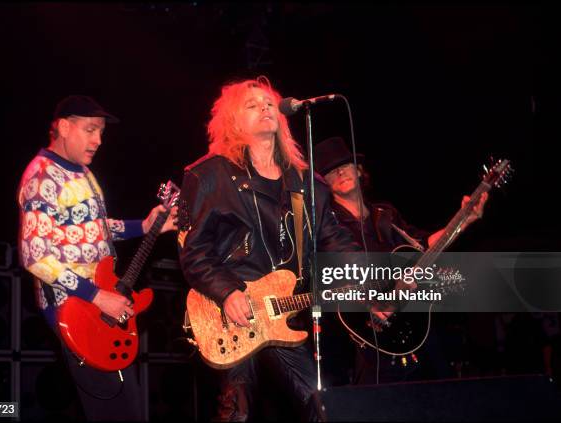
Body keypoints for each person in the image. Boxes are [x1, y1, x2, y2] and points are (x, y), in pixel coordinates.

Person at [177, 77, 359, 421]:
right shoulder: (210, 175)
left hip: (281, 312)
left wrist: (370, 277)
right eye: (252, 104)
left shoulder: (307, 183)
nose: (264, 107)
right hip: (228, 310)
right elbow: (195, 251)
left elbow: (335, 241)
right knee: (237, 410)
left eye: (269, 103)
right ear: (232, 122)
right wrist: (227, 291)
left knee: (319, 404)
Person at [17, 95, 176, 421]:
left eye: (101, 132)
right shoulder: (42, 175)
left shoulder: (83, 173)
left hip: (99, 306)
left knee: (124, 408)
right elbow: (34, 255)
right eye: (90, 129)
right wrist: (98, 297)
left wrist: (144, 226)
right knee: (118, 411)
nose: (98, 140)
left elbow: (95, 227)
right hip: (77, 310)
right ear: (63, 127)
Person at [313, 136, 488, 385]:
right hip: (371, 328)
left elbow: (423, 245)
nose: (340, 171)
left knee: (443, 391)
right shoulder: (329, 225)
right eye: (330, 171)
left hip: (413, 320)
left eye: (345, 164)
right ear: (324, 183)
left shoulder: (386, 213)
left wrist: (464, 219)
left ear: (359, 169)